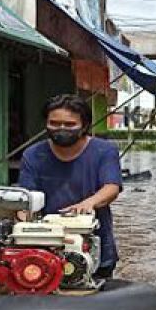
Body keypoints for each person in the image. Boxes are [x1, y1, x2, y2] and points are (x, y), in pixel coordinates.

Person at [19, 94, 123, 280]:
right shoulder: (33, 155)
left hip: (96, 244)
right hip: (46, 247)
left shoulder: (104, 151)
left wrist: (88, 204)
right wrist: (23, 221)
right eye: (54, 123)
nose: (61, 129)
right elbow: (25, 199)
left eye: (69, 125)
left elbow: (111, 187)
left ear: (84, 126)